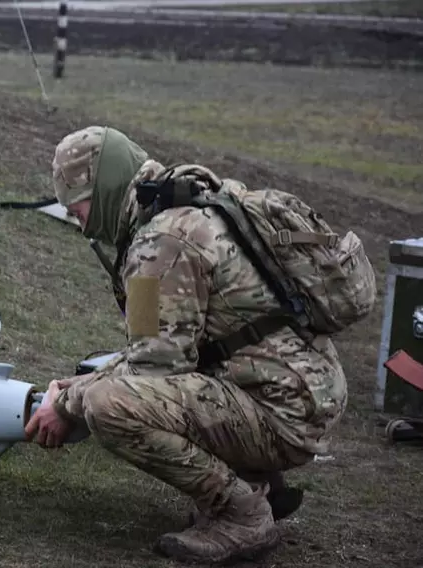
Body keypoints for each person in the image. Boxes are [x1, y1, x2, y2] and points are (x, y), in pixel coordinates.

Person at [24, 126, 349, 564]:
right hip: (298, 390)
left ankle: (242, 515)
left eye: (78, 208)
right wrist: (74, 386)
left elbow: (152, 370)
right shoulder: (182, 207)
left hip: (284, 410)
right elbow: (165, 347)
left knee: (108, 406)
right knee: (108, 390)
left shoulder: (158, 246)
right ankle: (260, 482)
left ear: (101, 190)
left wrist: (68, 404)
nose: (80, 224)